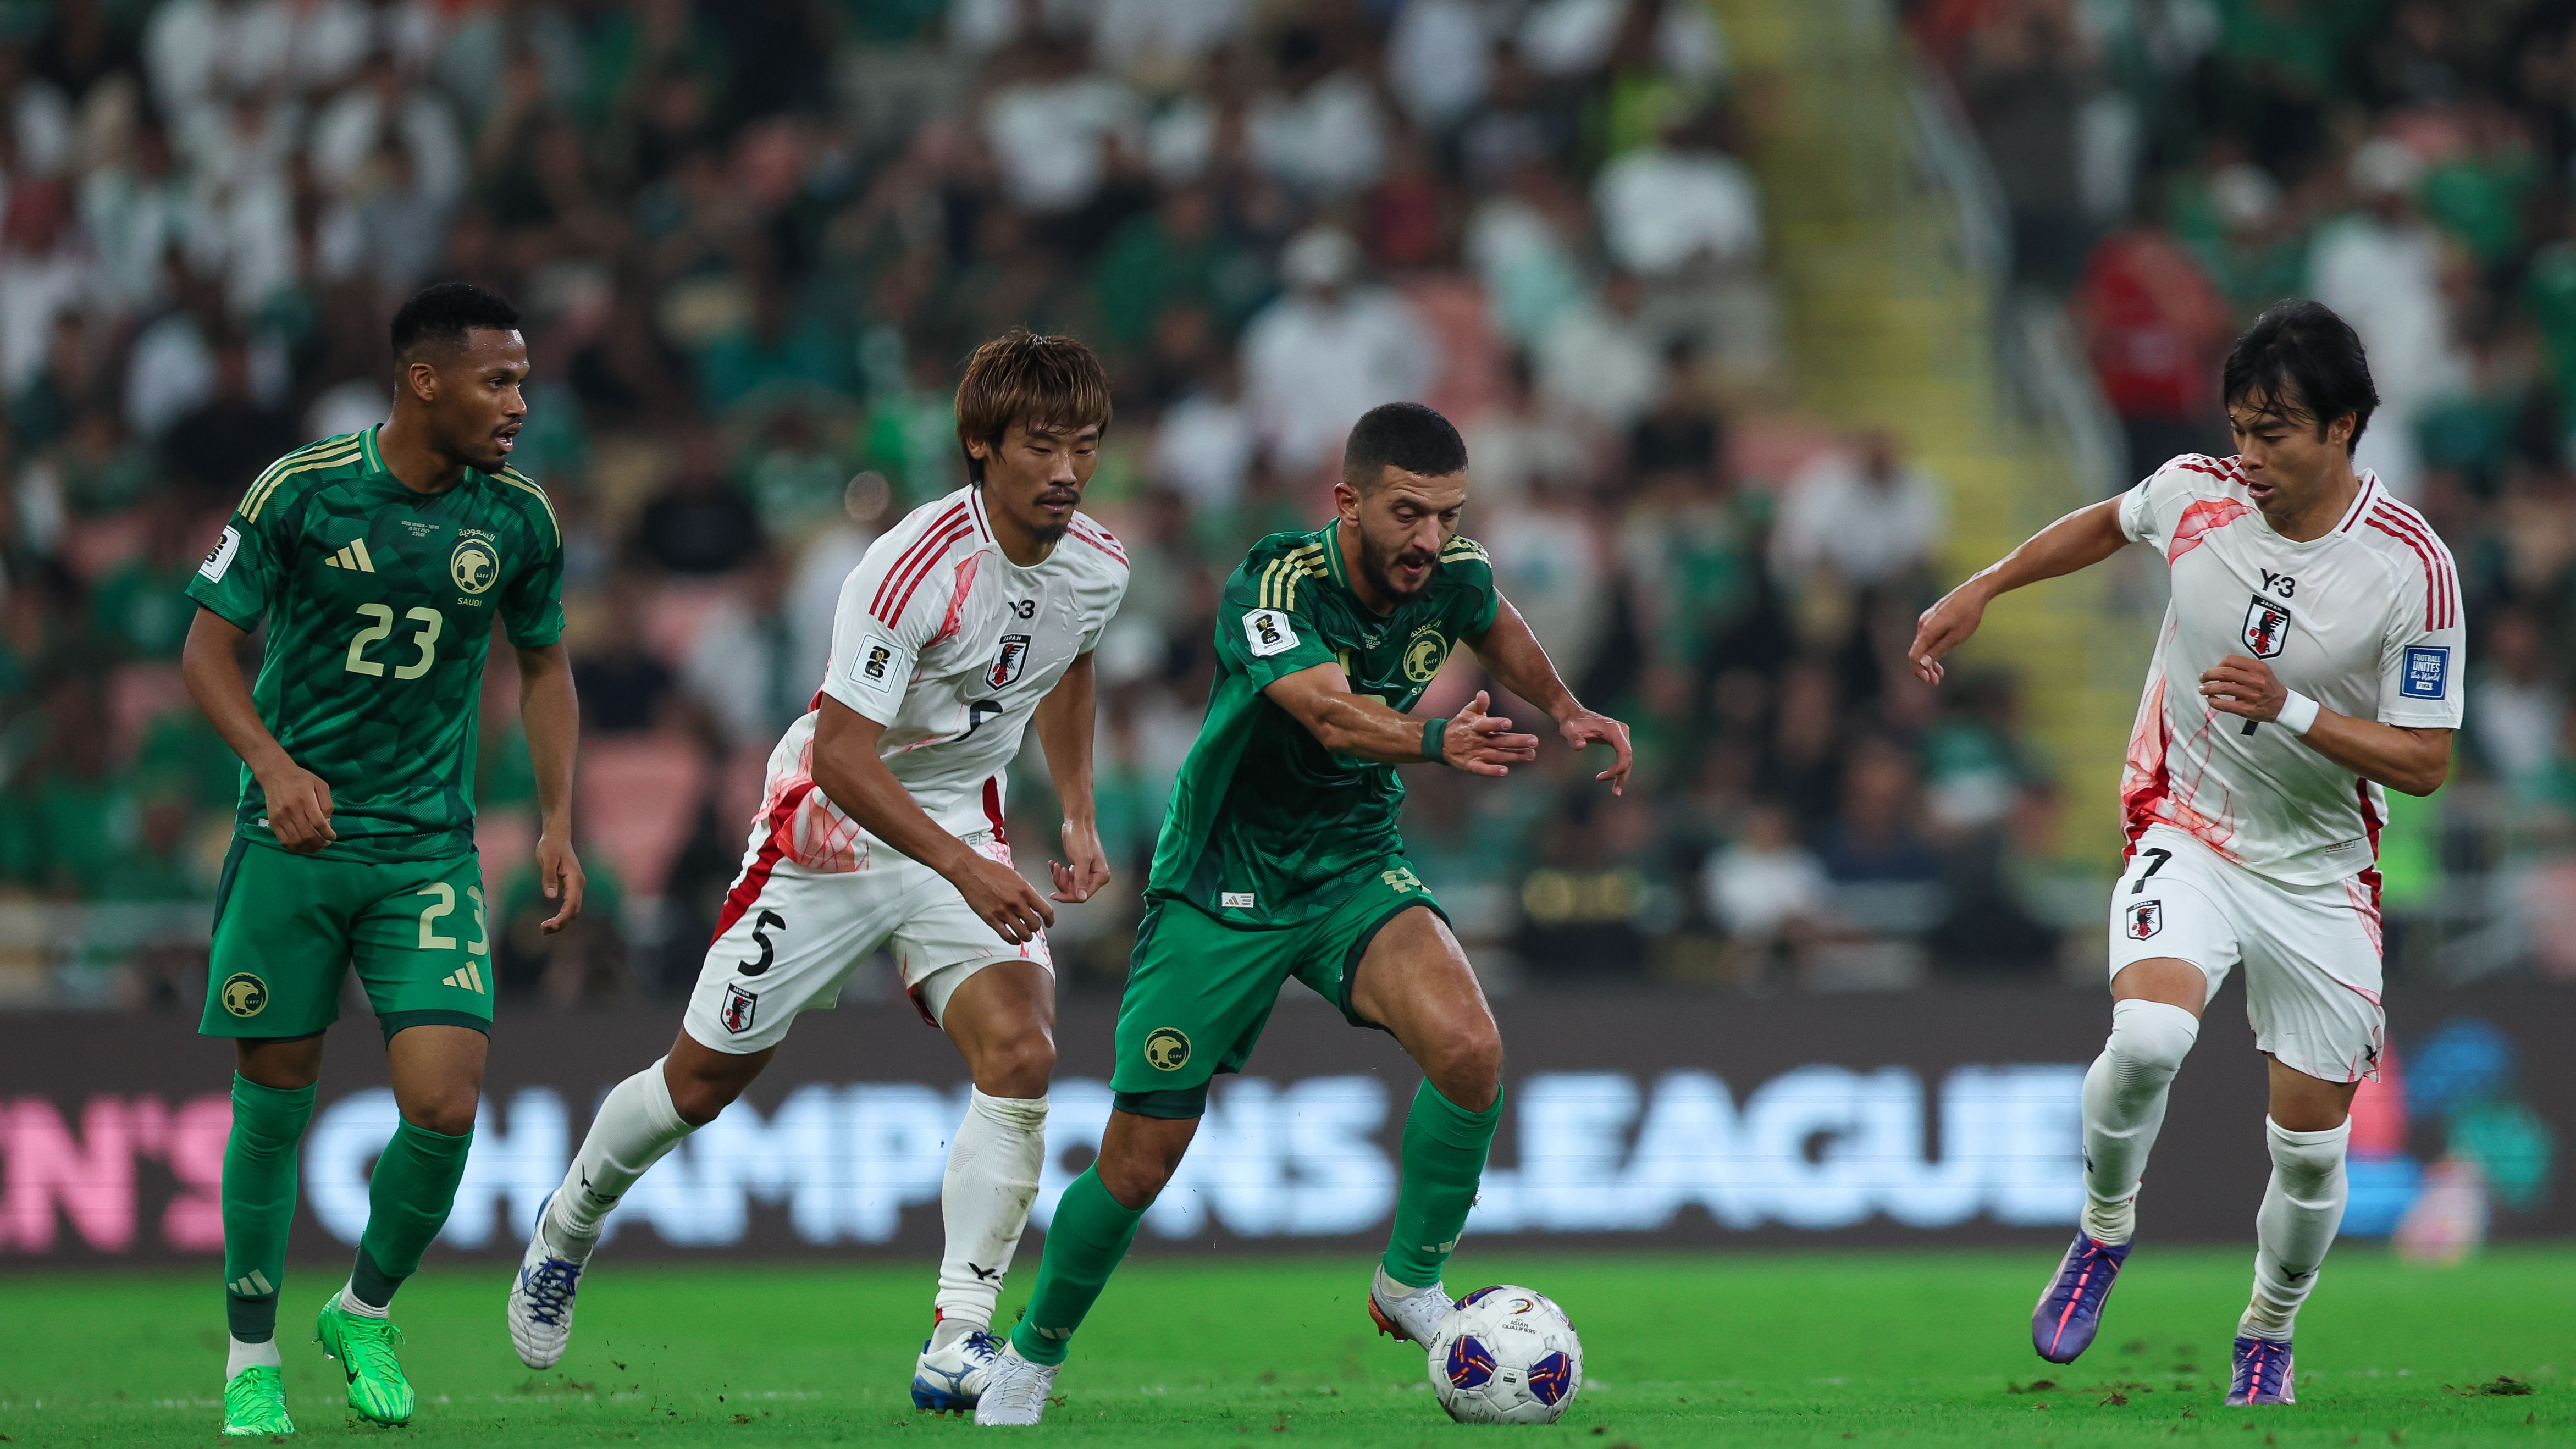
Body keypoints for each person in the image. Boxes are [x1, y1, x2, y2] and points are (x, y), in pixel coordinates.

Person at [972, 401, 1634, 1426]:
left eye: (1448, 515)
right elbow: (1326, 713)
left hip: (1350, 869)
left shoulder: (1452, 573)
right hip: (1222, 885)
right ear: (1348, 502)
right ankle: (1031, 1355)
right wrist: (1436, 743)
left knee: (1470, 1050)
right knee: (1139, 1163)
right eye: (1407, 513)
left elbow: (1490, 617)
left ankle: (1409, 1281)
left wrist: (1564, 705)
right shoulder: (1275, 583)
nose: (1429, 539)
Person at [507, 330, 1127, 1414]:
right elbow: (842, 756)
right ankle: (569, 1223)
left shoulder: (1099, 564)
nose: (1067, 470)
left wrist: (1074, 809)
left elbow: (1068, 663)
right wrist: (965, 870)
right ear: (981, 445)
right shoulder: (909, 564)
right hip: (830, 829)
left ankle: (958, 1335)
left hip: (956, 822)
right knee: (698, 1084)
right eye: (1042, 445)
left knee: (1023, 1050)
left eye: (1084, 445)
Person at [1907, 300, 2462, 1407]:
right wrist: (1987, 585)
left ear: (2343, 427)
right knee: (2149, 1035)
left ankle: (2267, 1331)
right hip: (2188, 824)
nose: (2248, 454)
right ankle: (2103, 1228)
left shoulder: (2410, 567)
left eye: (2275, 432)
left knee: (2309, 1150)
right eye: (2240, 427)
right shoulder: (2195, 492)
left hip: (2318, 872)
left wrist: (2291, 708)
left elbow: (2425, 760)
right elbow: (2107, 523)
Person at [180, 280, 583, 1436]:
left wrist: (557, 818)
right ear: (423, 380)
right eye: (497, 381)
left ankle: (362, 1309)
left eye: (522, 380)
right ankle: (250, 1357)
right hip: (294, 843)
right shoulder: (302, 491)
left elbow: (544, 664)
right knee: (274, 1103)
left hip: (424, 850)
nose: (519, 403)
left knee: (446, 1106)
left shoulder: (518, 518)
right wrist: (272, 766)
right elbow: (205, 652)